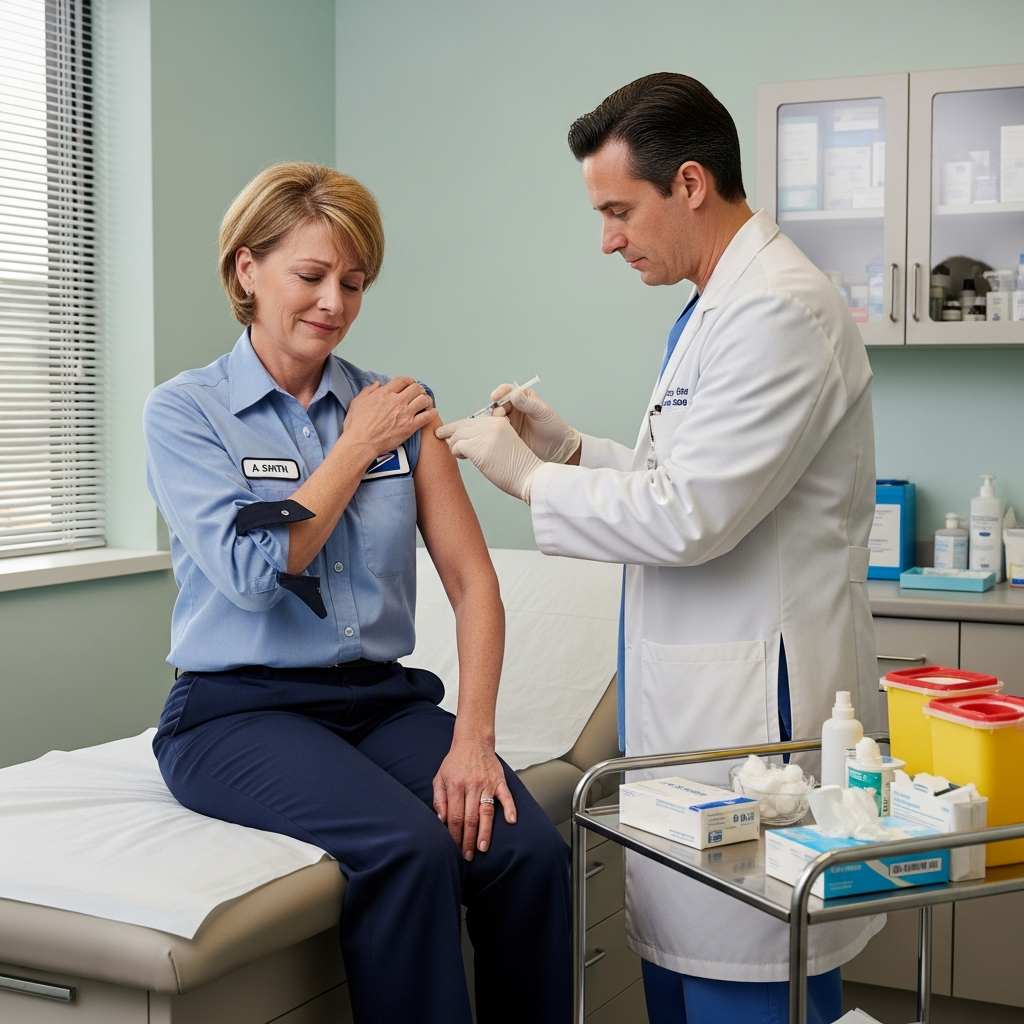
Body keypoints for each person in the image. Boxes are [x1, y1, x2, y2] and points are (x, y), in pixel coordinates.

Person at [437, 74, 881, 1024]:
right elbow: (679, 476)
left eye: (618, 211)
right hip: (692, 732)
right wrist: (570, 451)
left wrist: (529, 479)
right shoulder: (715, 306)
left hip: (753, 722)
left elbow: (691, 515)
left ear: (688, 183)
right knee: (690, 975)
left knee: (754, 974)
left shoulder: (779, 309)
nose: (608, 240)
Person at [143, 162, 570, 1024]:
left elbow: (473, 583)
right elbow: (254, 571)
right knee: (409, 849)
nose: (333, 302)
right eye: (310, 276)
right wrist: (353, 446)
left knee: (524, 848)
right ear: (246, 269)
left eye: (354, 281)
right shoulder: (185, 413)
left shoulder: (402, 410)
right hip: (235, 713)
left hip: (379, 701)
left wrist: (474, 741)